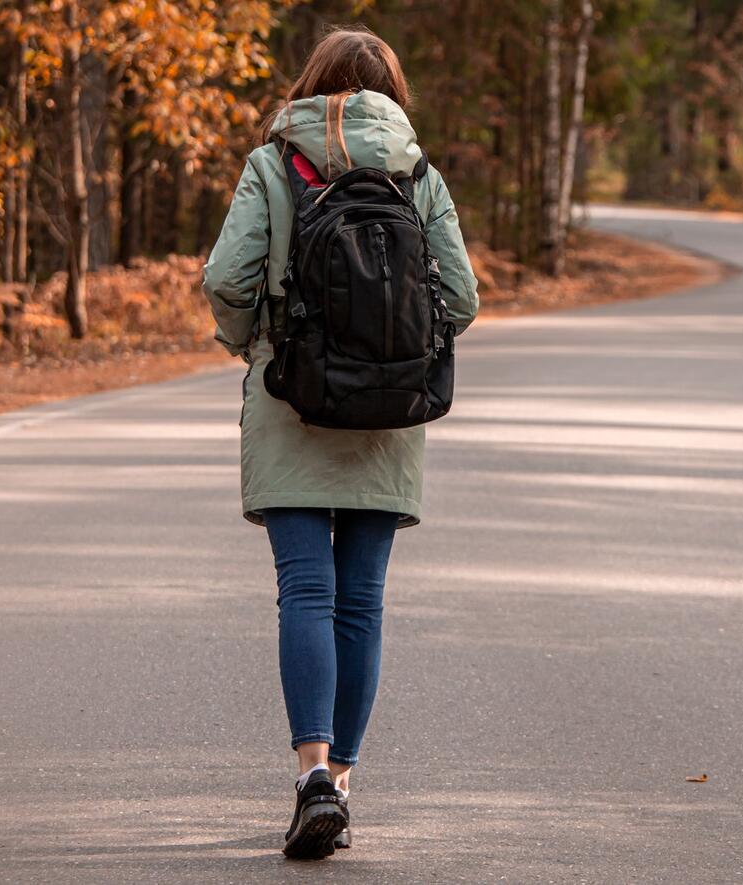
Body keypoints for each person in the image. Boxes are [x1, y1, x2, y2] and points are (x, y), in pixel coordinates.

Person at [201, 26, 478, 860]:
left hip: (293, 401)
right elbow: (460, 298)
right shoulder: (417, 172)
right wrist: (396, 348)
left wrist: (257, 343)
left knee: (305, 592)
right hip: (388, 412)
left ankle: (311, 774)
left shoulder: (273, 162)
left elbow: (225, 279)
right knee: (361, 600)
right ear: (391, 91)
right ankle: (345, 783)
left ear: (312, 85)